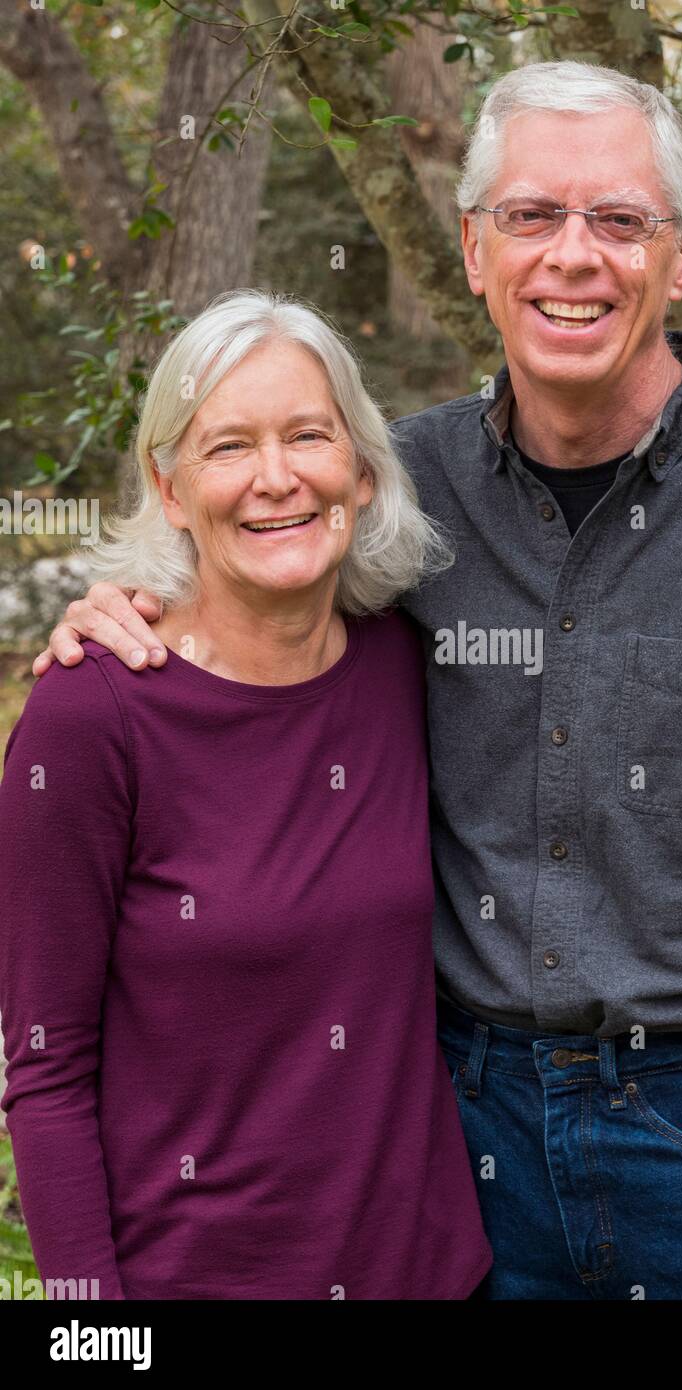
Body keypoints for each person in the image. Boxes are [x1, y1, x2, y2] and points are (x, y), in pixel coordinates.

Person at [33, 62, 682, 1300]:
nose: (571, 256)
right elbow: (258, 599)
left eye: (619, 220)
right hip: (456, 1156)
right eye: (531, 216)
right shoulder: (394, 493)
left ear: (680, 256)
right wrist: (124, 611)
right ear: (476, 249)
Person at [0, 290, 493, 1300]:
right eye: (228, 447)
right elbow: (45, 1072)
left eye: (308, 435)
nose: (276, 479)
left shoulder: (408, 665)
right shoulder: (92, 716)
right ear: (170, 488)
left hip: (430, 1275)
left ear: (358, 468)